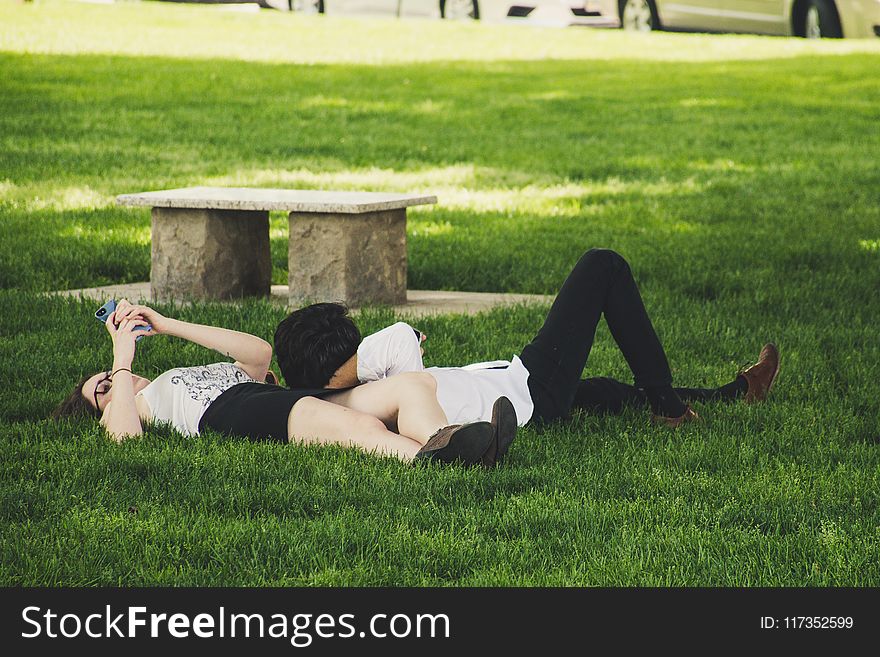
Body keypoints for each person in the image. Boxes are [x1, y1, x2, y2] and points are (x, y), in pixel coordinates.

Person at [274, 249, 780, 433]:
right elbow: (401, 337)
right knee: (602, 267)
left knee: (605, 392)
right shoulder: (369, 381)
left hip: (517, 391)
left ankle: (735, 392)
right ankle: (669, 406)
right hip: (529, 390)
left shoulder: (336, 399)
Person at [53, 300, 515, 468]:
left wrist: (166, 324)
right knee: (361, 430)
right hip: (239, 412)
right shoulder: (131, 408)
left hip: (276, 396)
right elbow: (126, 442)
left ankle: (449, 441)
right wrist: (119, 358)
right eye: (103, 388)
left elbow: (258, 353)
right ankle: (432, 461)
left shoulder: (171, 380)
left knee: (410, 386)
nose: (115, 384)